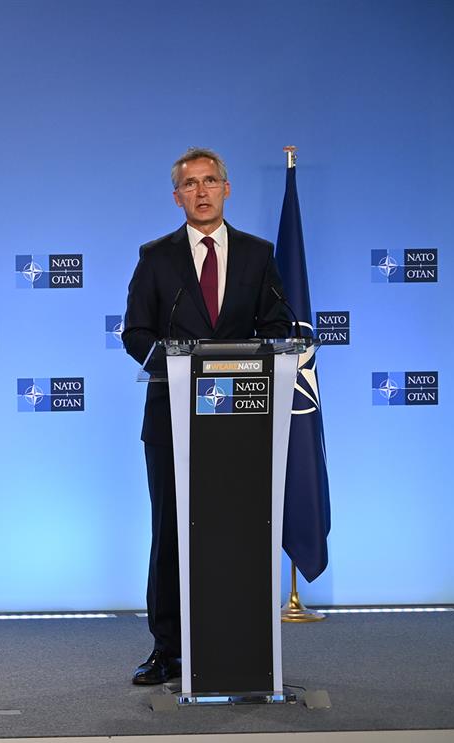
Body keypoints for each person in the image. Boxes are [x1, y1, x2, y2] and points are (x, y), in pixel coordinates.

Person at [121, 148, 290, 685]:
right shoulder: (156, 257)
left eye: (210, 181)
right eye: (190, 184)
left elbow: (278, 324)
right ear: (177, 197)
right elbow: (135, 332)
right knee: (171, 532)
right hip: (172, 421)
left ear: (226, 188)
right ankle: (167, 649)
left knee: (238, 531)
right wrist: (173, 364)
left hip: (242, 423)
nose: (201, 191)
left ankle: (237, 640)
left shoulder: (258, 255)